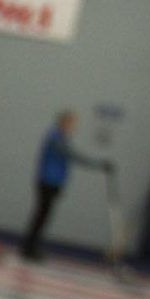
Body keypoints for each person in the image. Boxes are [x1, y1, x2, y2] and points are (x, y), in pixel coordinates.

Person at [22, 108, 103, 262]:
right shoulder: (55, 136)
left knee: (43, 216)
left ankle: (31, 247)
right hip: (48, 181)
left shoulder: (61, 138)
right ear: (64, 122)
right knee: (41, 215)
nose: (73, 127)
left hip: (54, 182)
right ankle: (29, 248)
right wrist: (95, 164)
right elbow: (69, 154)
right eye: (71, 123)